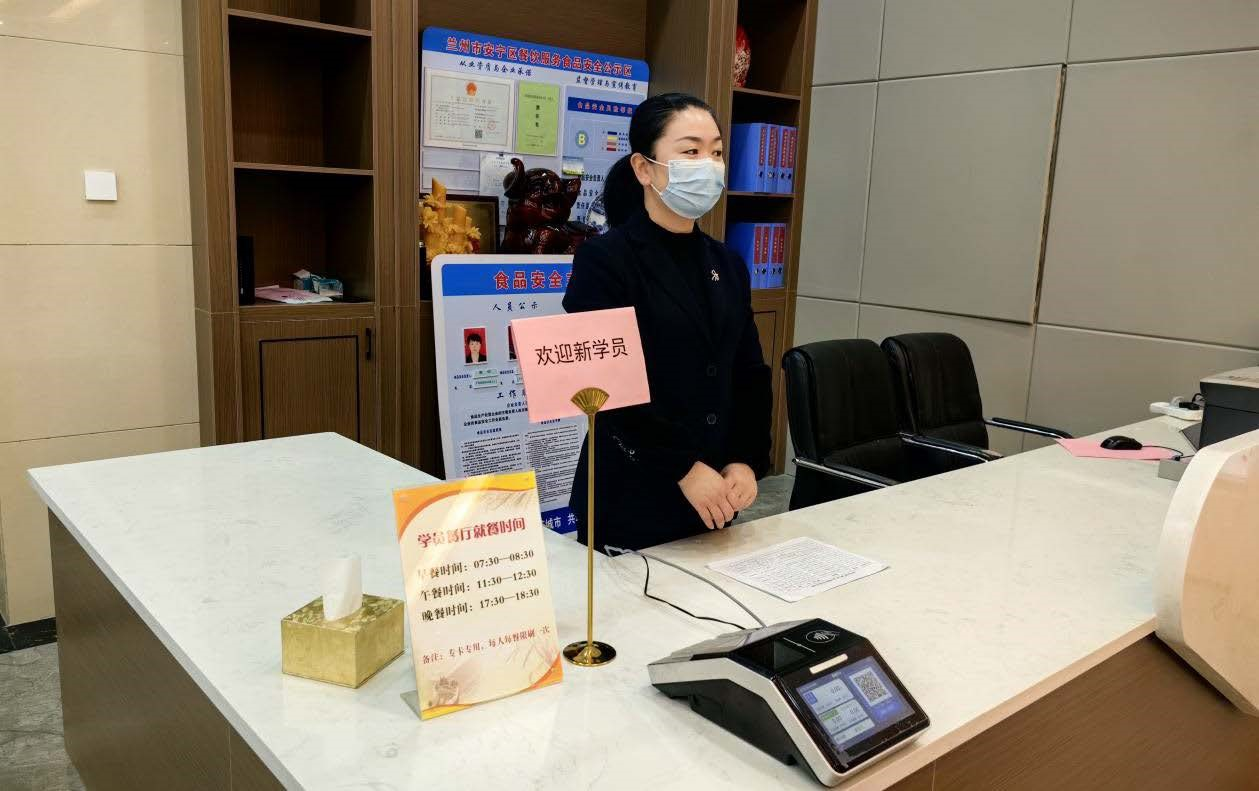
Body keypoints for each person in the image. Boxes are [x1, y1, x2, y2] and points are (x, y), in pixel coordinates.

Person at [563, 92, 772, 552]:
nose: (708, 165)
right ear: (644, 168)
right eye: (691, 151)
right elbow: (605, 388)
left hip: (716, 496)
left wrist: (745, 459)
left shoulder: (728, 264)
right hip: (631, 499)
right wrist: (682, 466)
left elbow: (749, 373)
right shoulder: (605, 260)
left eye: (716, 152)